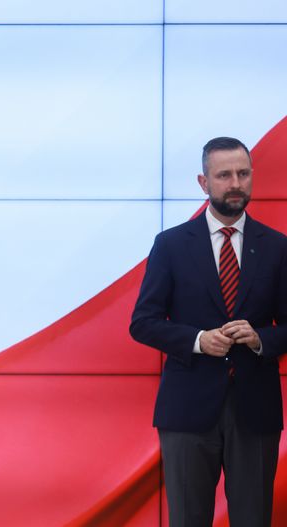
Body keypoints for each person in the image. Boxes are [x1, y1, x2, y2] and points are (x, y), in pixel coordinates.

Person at [130, 137, 287, 526]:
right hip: (187, 409)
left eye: (243, 174)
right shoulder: (170, 245)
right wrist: (198, 341)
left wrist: (260, 339)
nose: (235, 183)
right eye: (224, 175)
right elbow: (143, 322)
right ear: (203, 182)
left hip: (256, 410)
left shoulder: (278, 247)